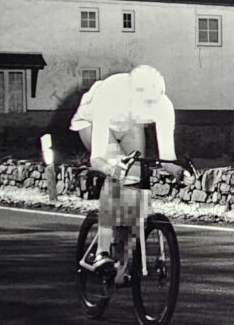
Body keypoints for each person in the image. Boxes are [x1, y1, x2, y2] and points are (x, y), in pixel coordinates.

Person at [70, 65, 193, 270]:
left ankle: (121, 256)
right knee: (116, 179)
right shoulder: (110, 96)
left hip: (128, 126)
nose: (150, 110)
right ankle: (101, 252)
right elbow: (97, 159)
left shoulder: (163, 105)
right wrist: (112, 169)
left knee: (135, 179)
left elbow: (167, 158)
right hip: (91, 122)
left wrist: (180, 172)